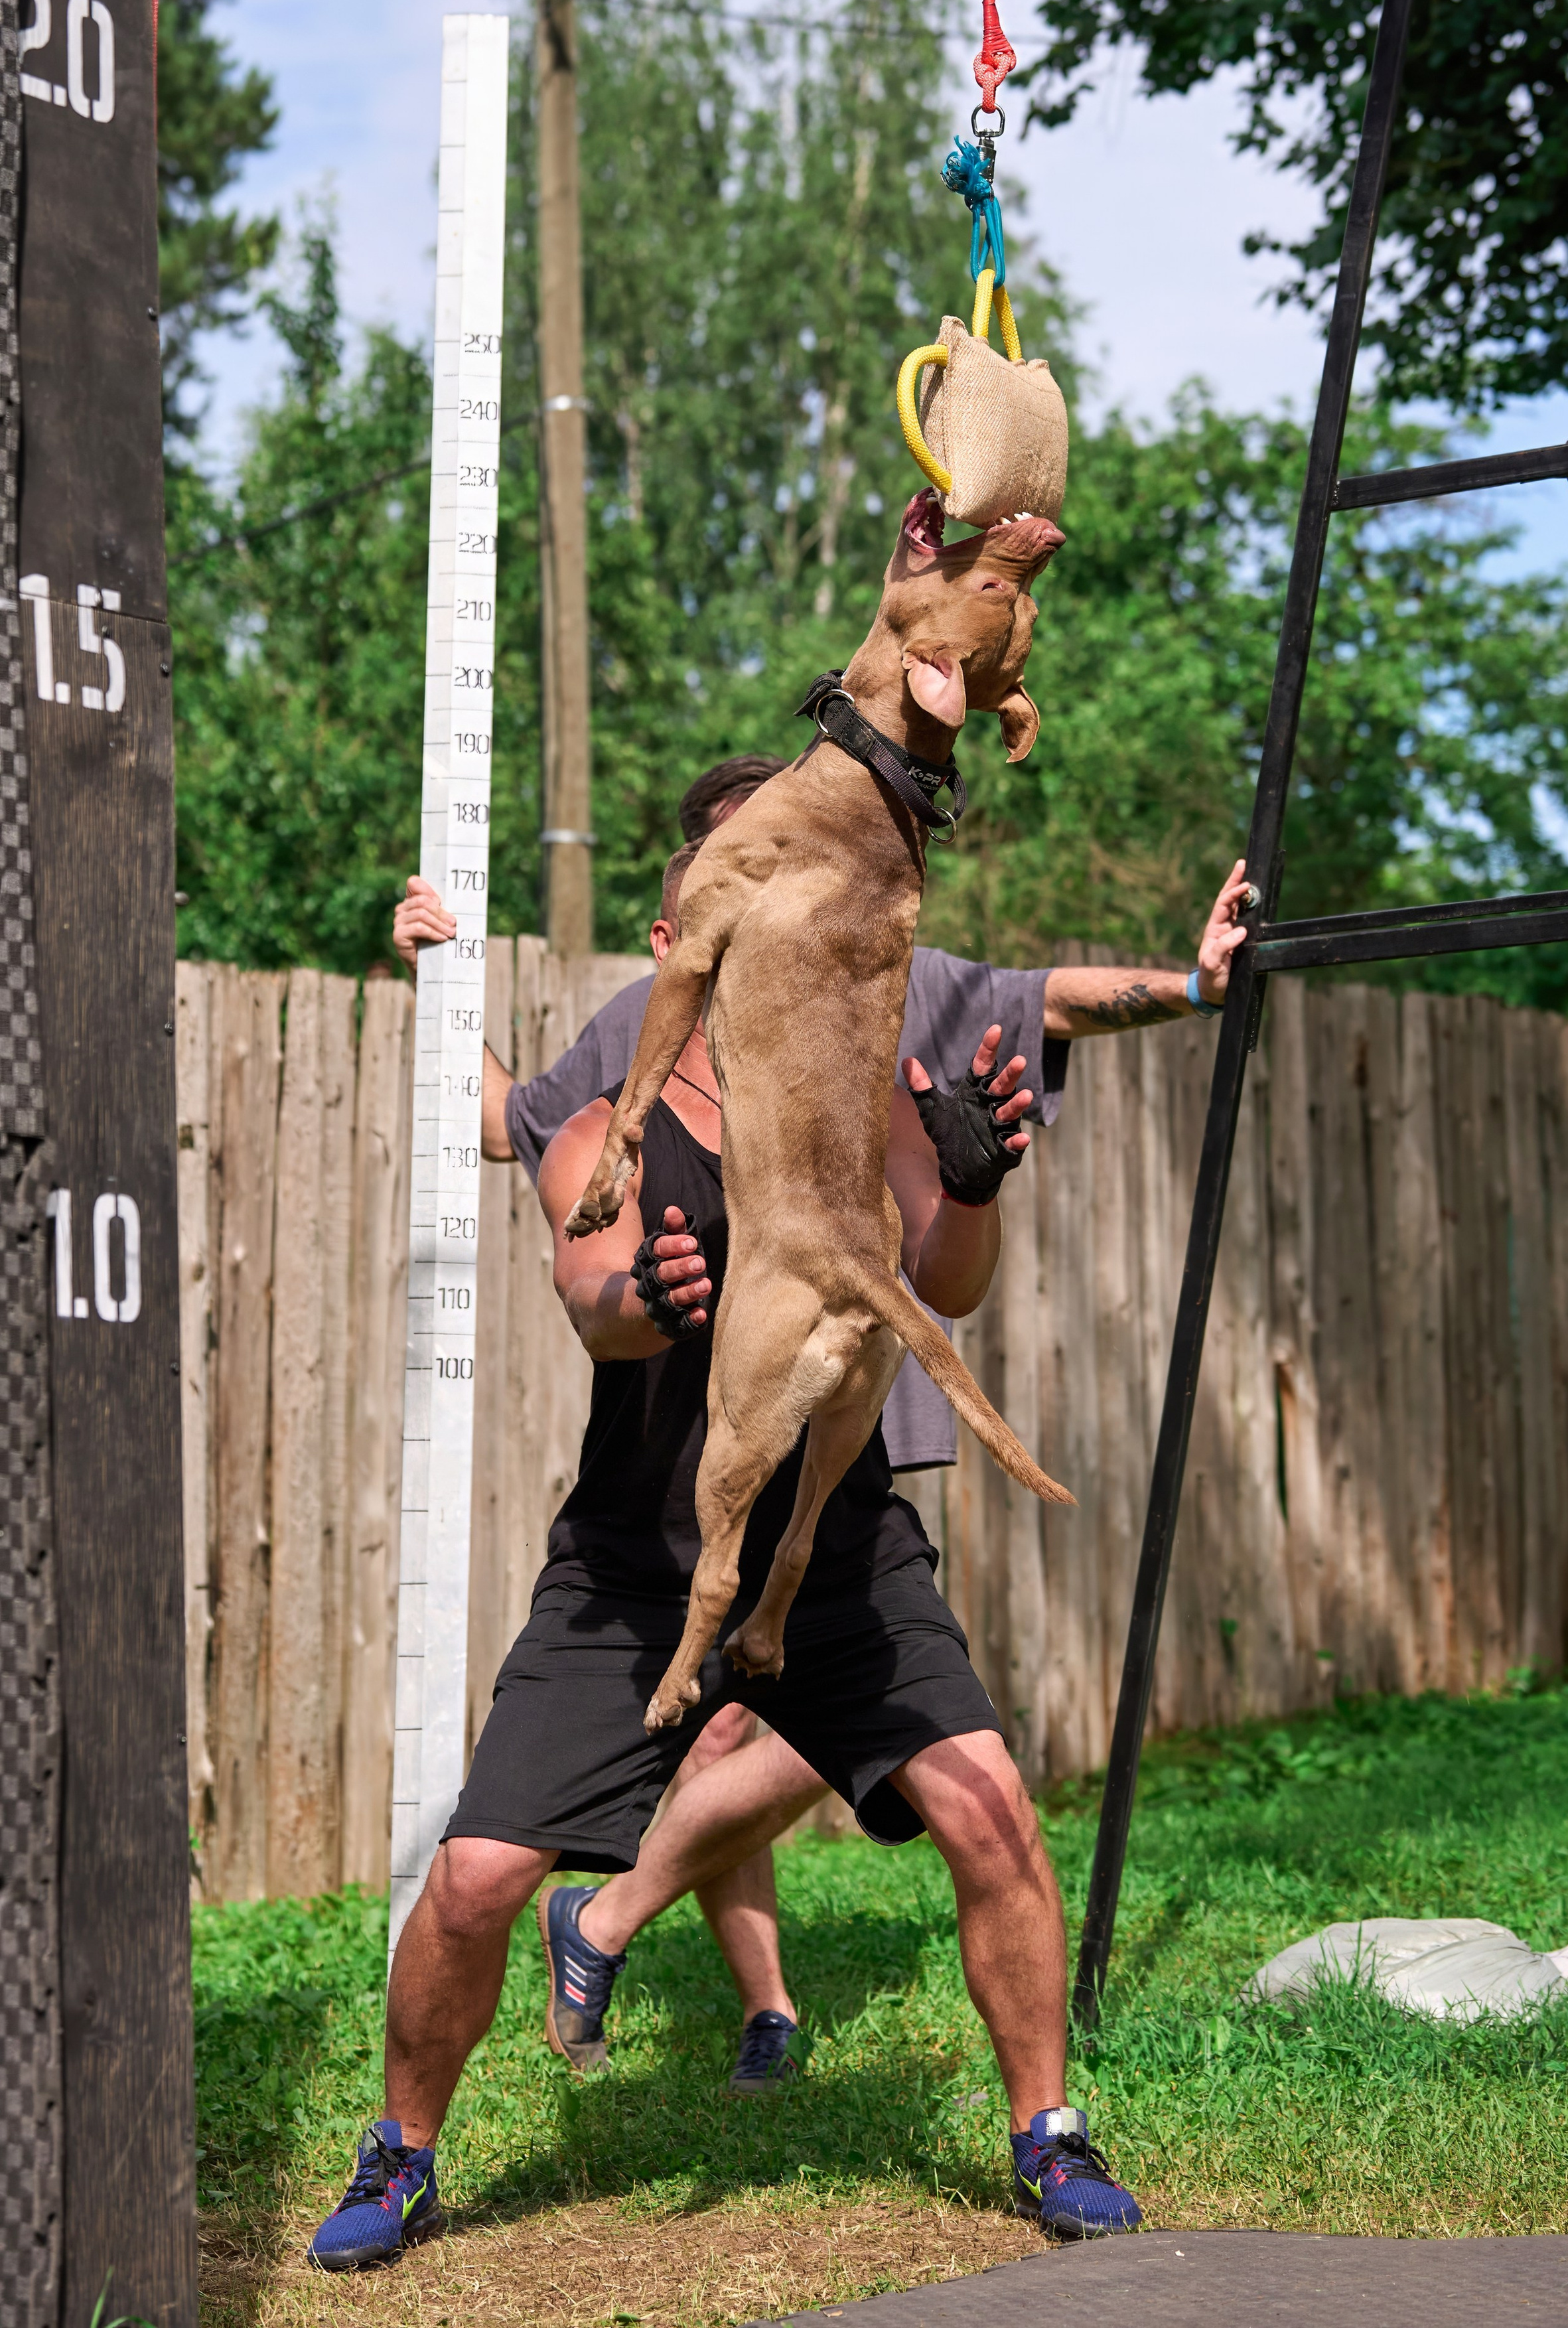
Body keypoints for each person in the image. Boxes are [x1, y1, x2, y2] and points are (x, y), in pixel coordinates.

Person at [310, 839, 1161, 2271]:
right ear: (677, 934)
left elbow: (943, 1284)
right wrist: (644, 1288)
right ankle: (401, 2155)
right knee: (469, 1879)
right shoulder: (604, 1120)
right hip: (635, 1575)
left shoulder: (850, 1103)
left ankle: (1047, 2130)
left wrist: (972, 1185)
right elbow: (592, 1301)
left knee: (993, 1813)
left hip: (838, 1557)